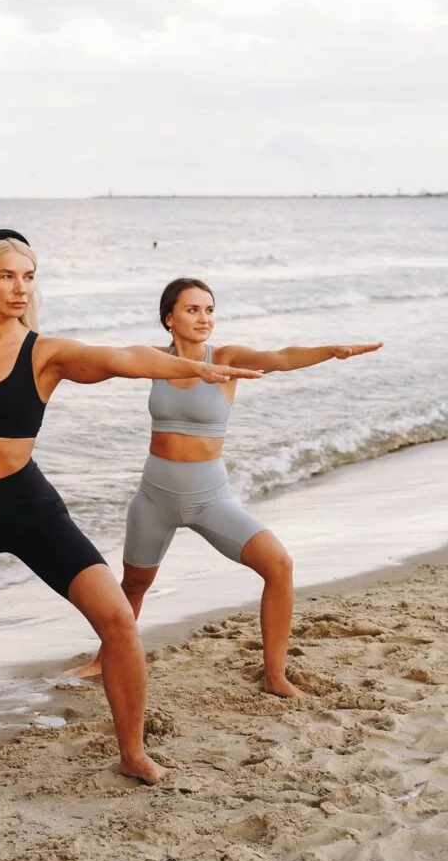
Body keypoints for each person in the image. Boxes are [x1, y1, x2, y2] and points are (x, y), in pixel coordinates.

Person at [0, 235, 263, 784]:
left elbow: (118, 359)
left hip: (26, 505)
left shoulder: (45, 353)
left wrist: (196, 367)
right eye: (9, 276)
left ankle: (132, 754)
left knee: (118, 624)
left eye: (29, 276)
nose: (21, 288)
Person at [67, 276, 382, 697]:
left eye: (209, 309)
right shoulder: (153, 360)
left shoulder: (228, 358)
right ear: (169, 318)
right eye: (193, 309)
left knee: (279, 565)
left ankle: (275, 676)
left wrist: (329, 351)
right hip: (154, 498)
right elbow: (110, 359)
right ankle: (105, 659)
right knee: (134, 586)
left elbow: (281, 357)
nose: (204, 318)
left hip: (209, 498)